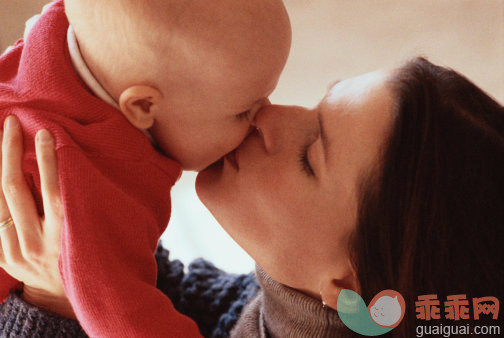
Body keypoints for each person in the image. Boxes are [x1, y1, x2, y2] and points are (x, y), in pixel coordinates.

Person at [0, 57, 502, 337]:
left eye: (309, 156)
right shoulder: (306, 299)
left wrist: (57, 302)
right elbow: (192, 302)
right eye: (315, 108)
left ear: (351, 284)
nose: (268, 113)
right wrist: (96, 240)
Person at [0, 0, 291, 336]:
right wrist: (51, 297)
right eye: (244, 111)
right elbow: (130, 323)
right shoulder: (85, 191)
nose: (265, 116)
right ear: (142, 105)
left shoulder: (65, 32)